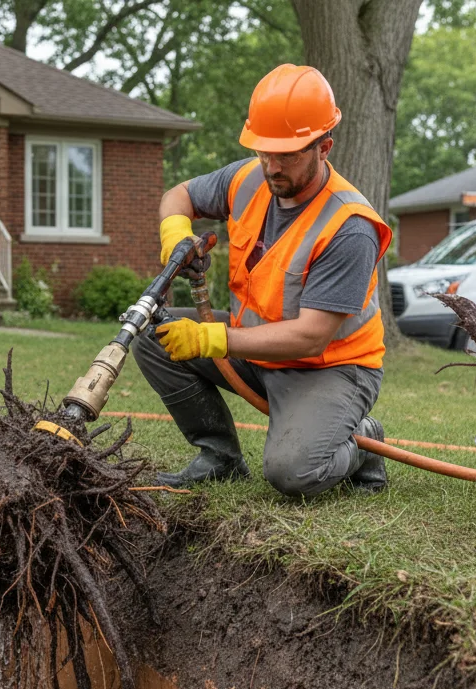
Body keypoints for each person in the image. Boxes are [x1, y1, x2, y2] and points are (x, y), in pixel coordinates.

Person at [133, 63, 391, 498]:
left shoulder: (349, 226)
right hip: (256, 346)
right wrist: (176, 235)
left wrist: (213, 340)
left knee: (293, 474)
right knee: (151, 337)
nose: (272, 166)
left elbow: (310, 338)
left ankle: (362, 441)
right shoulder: (249, 178)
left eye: (287, 155)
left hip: (330, 369)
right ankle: (220, 459)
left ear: (324, 147)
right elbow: (178, 196)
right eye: (263, 151)